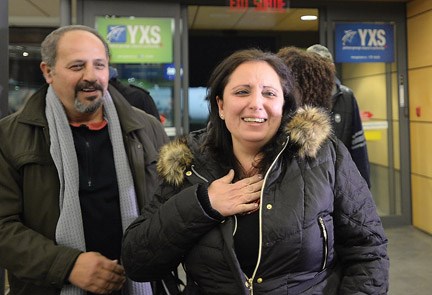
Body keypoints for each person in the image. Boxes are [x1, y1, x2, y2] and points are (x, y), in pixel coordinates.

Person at [121, 48, 389, 294]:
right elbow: (138, 262)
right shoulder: (188, 164)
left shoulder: (324, 157)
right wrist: (203, 204)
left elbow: (368, 252)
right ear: (221, 106)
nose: (256, 104)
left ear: (283, 105)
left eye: (269, 93)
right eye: (241, 92)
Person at [0, 25, 169, 295]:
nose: (91, 77)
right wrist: (68, 266)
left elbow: (170, 211)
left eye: (99, 65)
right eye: (77, 66)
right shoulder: (10, 136)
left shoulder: (146, 129)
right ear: (48, 72)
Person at [306, 44, 371, 188]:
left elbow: (358, 144)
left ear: (332, 67)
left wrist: (364, 184)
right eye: (314, 66)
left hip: (341, 180)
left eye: (323, 66)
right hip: (309, 182)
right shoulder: (298, 96)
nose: (319, 72)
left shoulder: (346, 96)